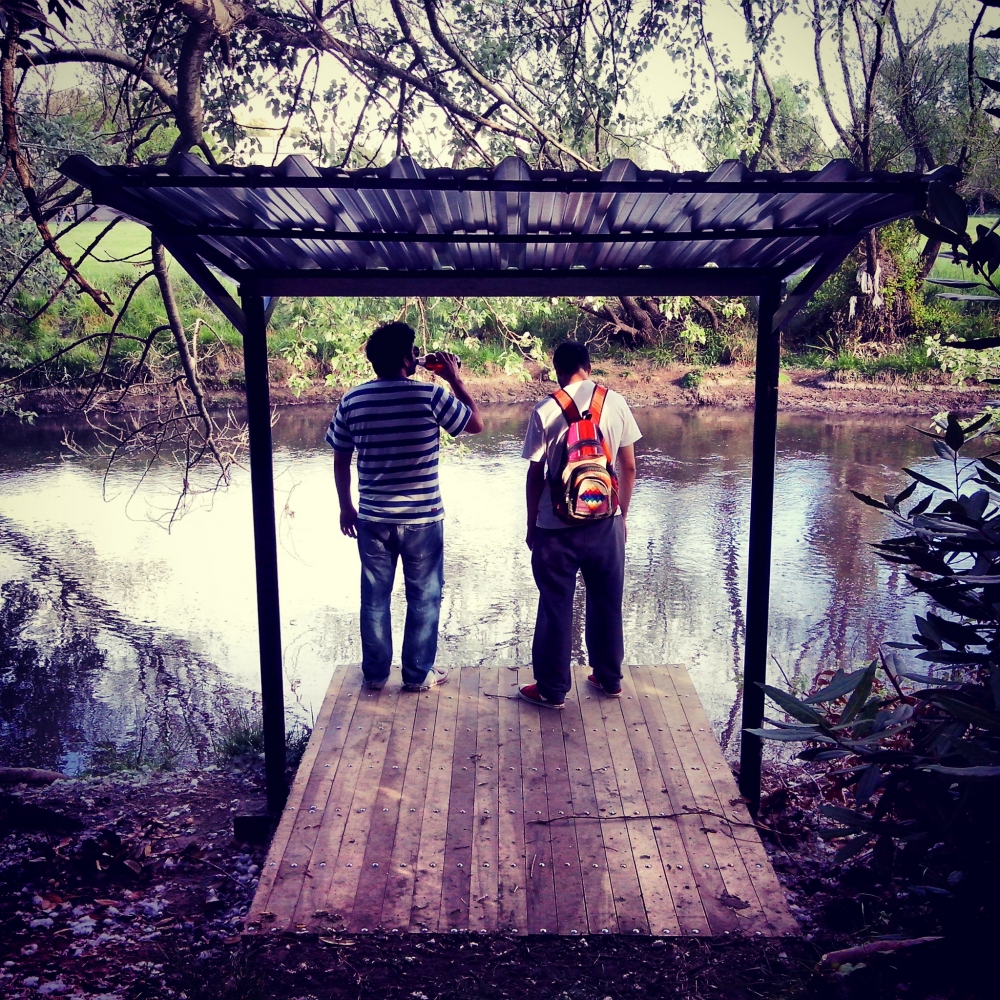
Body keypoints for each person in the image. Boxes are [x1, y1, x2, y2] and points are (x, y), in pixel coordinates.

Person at [328, 322, 483, 692]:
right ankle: (416, 676)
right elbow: (475, 424)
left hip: (372, 519)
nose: (417, 357)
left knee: (375, 599)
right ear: (404, 359)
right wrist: (456, 379)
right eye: (413, 352)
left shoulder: (353, 400)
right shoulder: (430, 396)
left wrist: (345, 508)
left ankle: (376, 676)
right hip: (423, 520)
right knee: (424, 597)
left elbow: (340, 456)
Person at [519, 340, 641, 708]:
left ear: (557, 370)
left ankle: (552, 690)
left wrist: (531, 525)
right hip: (606, 522)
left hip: (555, 527)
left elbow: (535, 475)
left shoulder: (545, 410)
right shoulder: (615, 402)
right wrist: (621, 516)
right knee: (607, 601)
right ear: (589, 365)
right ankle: (609, 679)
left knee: (555, 605)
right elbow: (629, 468)